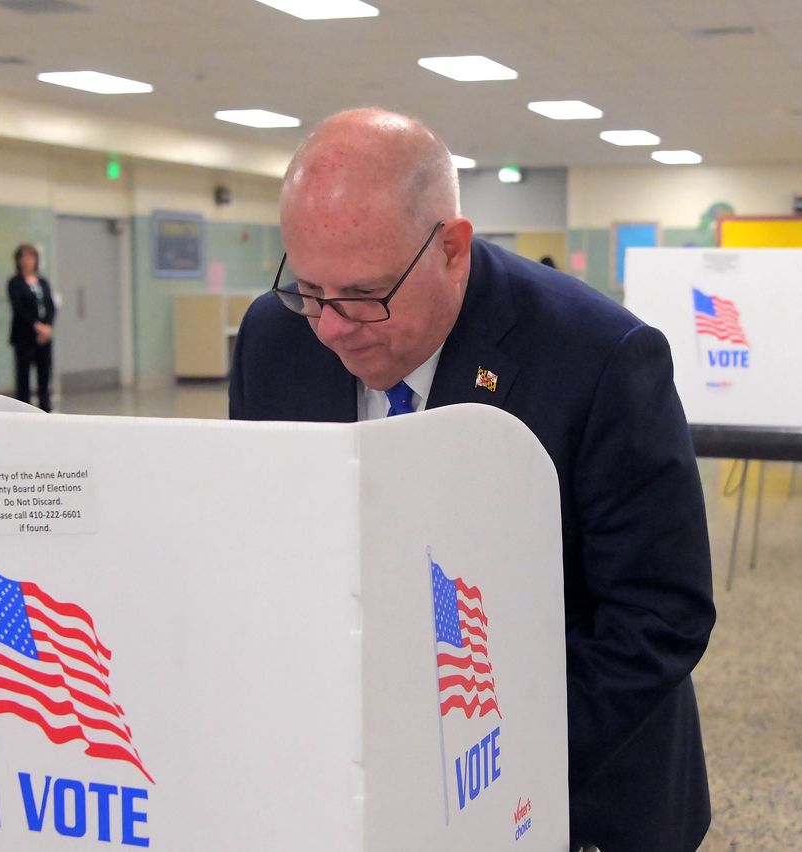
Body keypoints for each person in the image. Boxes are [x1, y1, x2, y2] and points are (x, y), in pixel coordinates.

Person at [230, 109, 716, 851]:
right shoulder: (276, 338)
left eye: (363, 295)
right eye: (308, 288)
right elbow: (262, 549)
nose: (330, 327)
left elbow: (659, 616)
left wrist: (477, 762)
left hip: (577, 785)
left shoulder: (599, 358)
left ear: (453, 249)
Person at [7, 243, 57, 412]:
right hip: (25, 335)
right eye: (24, 257)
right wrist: (36, 326)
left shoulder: (42, 282)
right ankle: (24, 409)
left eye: (31, 257)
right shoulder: (15, 282)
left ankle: (46, 407)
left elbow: (50, 305)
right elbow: (19, 308)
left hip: (44, 336)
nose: (27, 261)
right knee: (24, 375)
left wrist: (48, 326)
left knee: (45, 374)